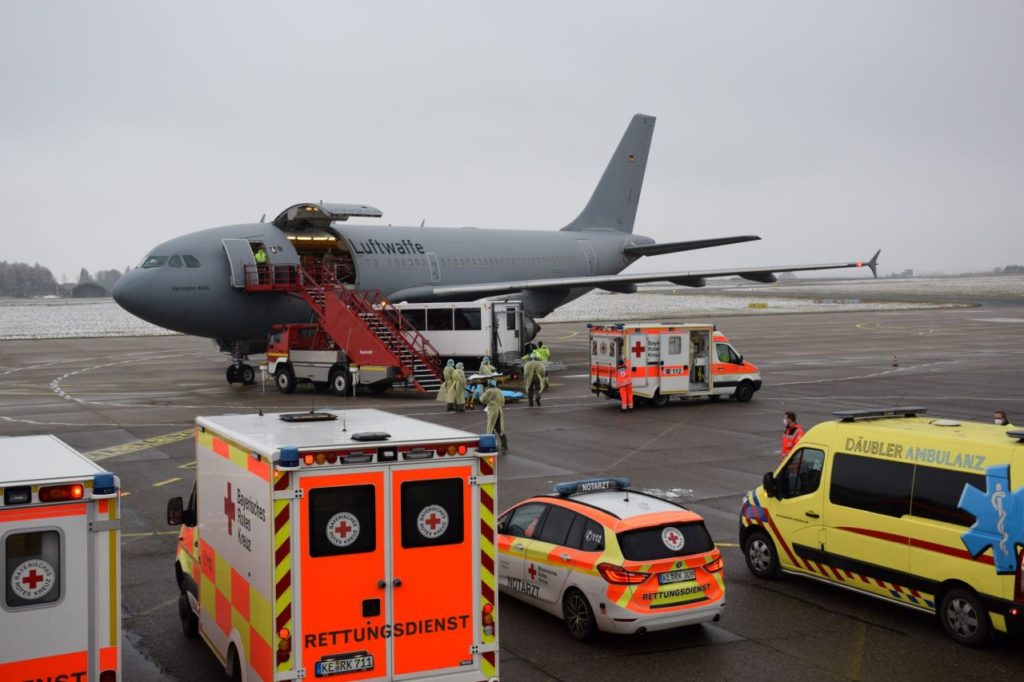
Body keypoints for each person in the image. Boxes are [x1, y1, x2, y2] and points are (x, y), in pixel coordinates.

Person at [479, 379, 508, 452]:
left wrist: (488, 401)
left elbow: (482, 399)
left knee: (490, 428)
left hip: (492, 410)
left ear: (489, 384)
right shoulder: (499, 390)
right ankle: (504, 445)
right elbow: (503, 401)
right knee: (499, 428)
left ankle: (492, 445)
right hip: (499, 410)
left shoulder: (489, 391)